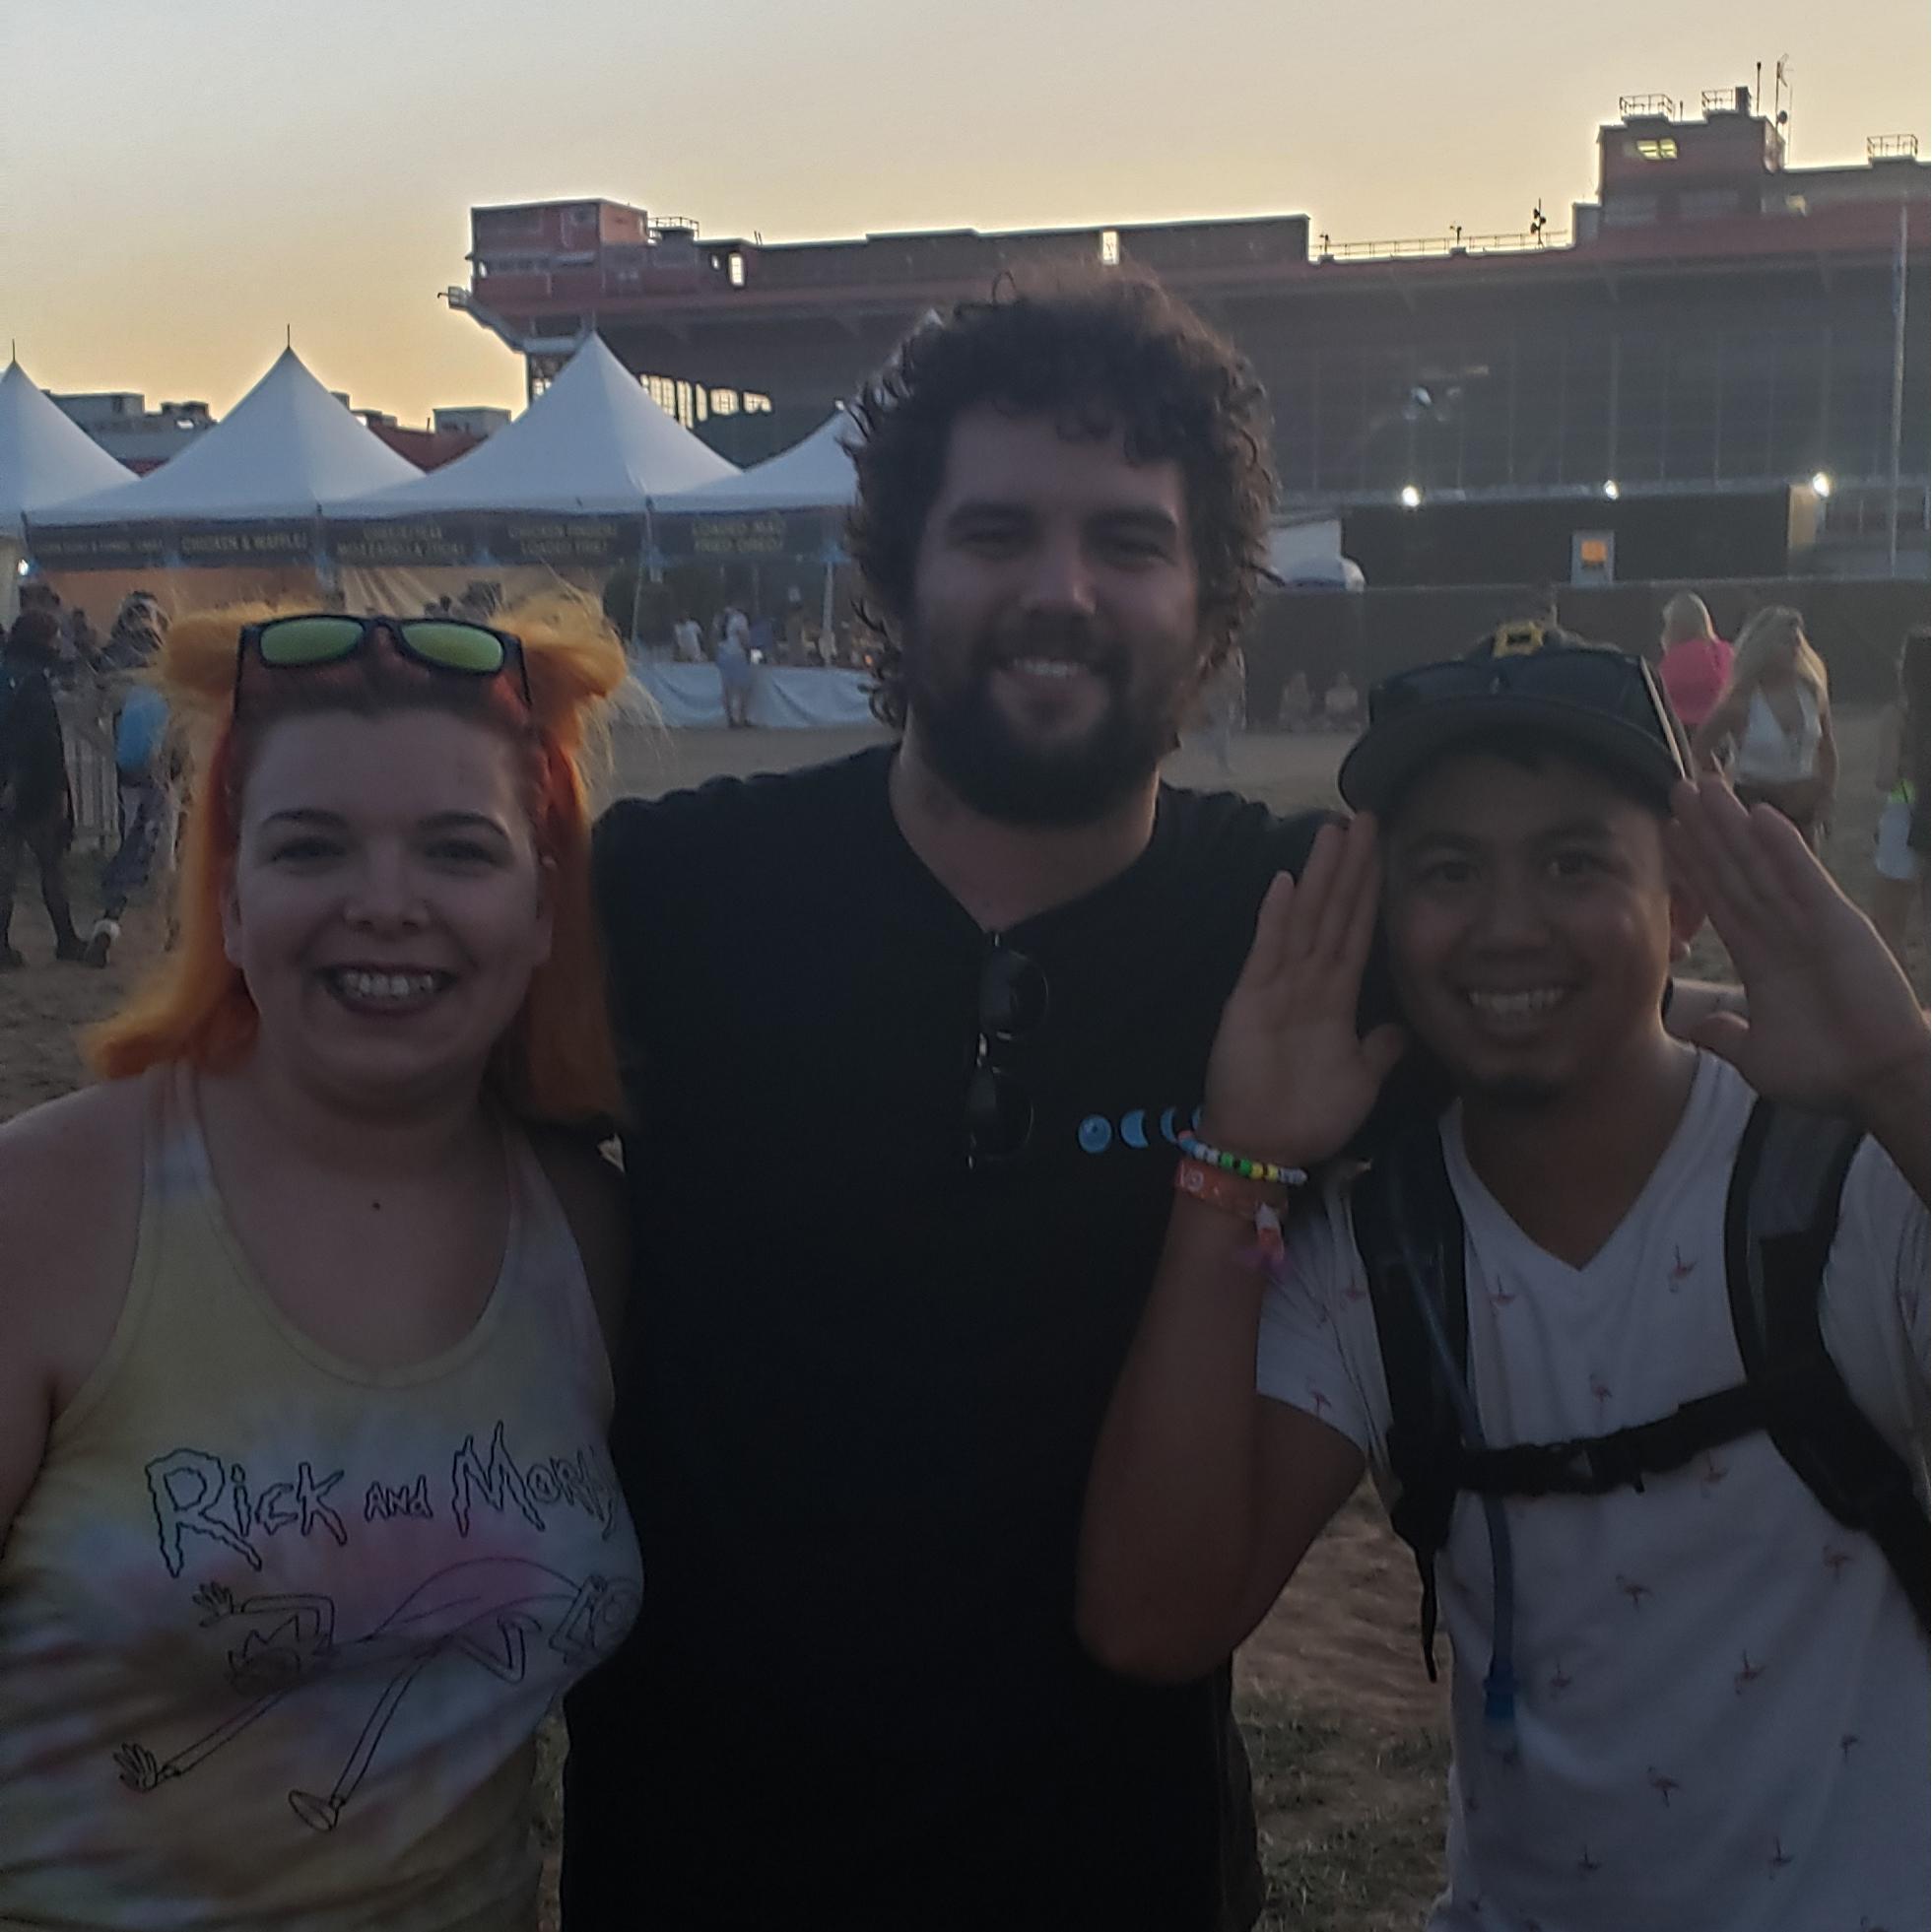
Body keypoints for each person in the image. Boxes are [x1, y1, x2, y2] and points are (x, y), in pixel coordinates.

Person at [565, 272, 1332, 1931]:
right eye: (995, 534)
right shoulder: (671, 896)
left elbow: (1583, 1034)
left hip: (1114, 1870)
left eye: (1127, 542)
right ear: (897, 580)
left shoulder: (1297, 931)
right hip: (701, 1863)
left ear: (1209, 605)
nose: (1059, 590)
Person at [1079, 638, 1929, 1931]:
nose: (1507, 922)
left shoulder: (1840, 1187)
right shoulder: (1381, 1252)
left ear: (1682, 896)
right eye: (1446, 870)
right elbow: (1154, 1617)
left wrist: (1900, 1075)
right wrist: (1233, 1166)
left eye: (1574, 861)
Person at [0, 598, 642, 1926]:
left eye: (459, 850)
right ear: (231, 902)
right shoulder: (48, 1210)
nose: (385, 905)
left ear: (540, 907)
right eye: (312, 848)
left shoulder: (591, 1233)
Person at [84, 594, 177, 967]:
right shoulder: (167, 666)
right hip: (164, 776)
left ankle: (108, 922)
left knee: (132, 843)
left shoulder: (111, 663)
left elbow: (84, 718)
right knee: (163, 855)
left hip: (128, 776)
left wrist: (112, 751)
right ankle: (175, 931)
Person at [1692, 605, 1836, 845]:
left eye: (1796, 643)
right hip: (1755, 807)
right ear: (1764, 648)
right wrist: (1723, 789)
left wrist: (1827, 796)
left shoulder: (1811, 693)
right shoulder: (1742, 701)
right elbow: (1701, 746)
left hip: (1803, 811)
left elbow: (1828, 747)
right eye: (1784, 643)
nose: (1793, 650)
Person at [0, 607, 85, 966]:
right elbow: (43, 740)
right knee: (51, 866)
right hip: (34, 787)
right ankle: (66, 940)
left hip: (5, 782)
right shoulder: (35, 680)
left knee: (6, 870)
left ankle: (1, 947)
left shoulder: (6, 673)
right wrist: (59, 788)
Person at [1872, 626, 1929, 967]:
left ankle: (1901, 1003)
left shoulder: (1897, 716)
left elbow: (1885, 777)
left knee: (1889, 923)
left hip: (1905, 811)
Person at [1654, 590, 1733, 732]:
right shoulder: (1726, 654)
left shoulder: (1674, 662)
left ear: (1674, 627)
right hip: (1723, 735)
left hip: (1681, 736)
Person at [714, 605, 754, 727]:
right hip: (737, 654)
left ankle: (730, 719)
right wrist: (748, 652)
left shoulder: (719, 617)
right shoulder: (739, 618)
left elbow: (714, 636)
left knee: (727, 689)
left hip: (723, 654)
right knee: (743, 689)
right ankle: (743, 718)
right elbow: (744, 638)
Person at [1322, 665, 1362, 733]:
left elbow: (1353, 707)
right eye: (1340, 678)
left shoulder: (1353, 692)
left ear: (1348, 680)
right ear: (1336, 679)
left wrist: (1344, 715)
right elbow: (1328, 709)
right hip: (1334, 718)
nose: (1342, 680)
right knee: (1326, 727)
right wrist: (1336, 715)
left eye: (1344, 678)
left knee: (1356, 727)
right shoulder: (1330, 693)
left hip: (1348, 718)